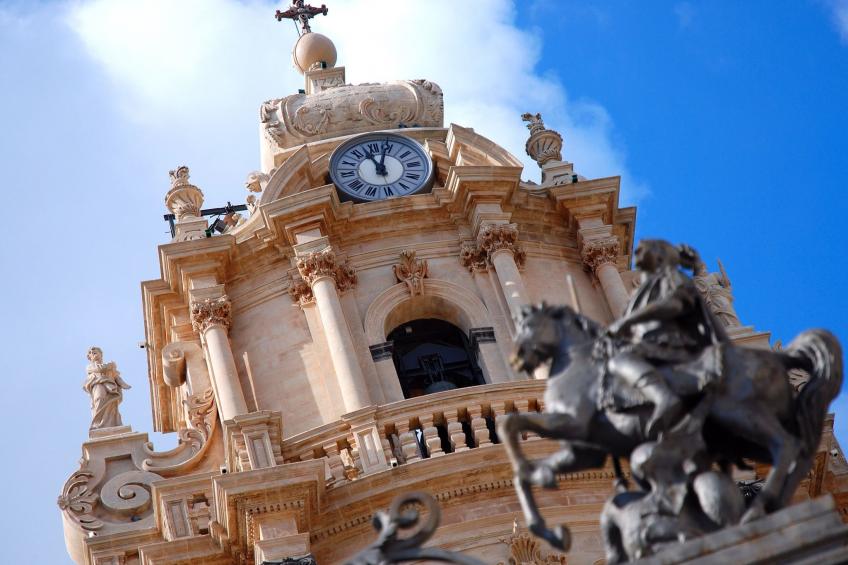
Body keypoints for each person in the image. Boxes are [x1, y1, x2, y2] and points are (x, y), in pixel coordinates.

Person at [605, 240, 728, 437]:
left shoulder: (670, 277)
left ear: (659, 256)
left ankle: (665, 398)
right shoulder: (641, 290)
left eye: (643, 251)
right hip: (656, 345)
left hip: (674, 342)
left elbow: (675, 305)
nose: (637, 254)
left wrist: (626, 322)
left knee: (622, 360)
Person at [83, 346, 131, 430]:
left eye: (95, 352)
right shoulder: (90, 366)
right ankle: (98, 423)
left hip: (110, 386)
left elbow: (116, 377)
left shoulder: (110, 367)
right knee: (99, 399)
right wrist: (110, 366)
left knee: (111, 404)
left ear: (101, 354)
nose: (92, 354)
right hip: (98, 384)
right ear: (89, 357)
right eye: (90, 353)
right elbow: (99, 369)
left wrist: (123, 384)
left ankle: (112, 424)